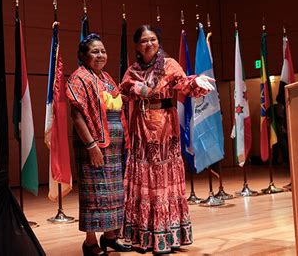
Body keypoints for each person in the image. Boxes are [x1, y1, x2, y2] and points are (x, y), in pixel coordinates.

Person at [120, 25, 215, 254]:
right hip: (141, 124)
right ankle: (141, 236)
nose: (149, 44)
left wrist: (195, 83)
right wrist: (138, 88)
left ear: (158, 41)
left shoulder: (169, 64)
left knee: (163, 175)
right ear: (137, 46)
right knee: (143, 175)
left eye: (152, 39)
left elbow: (184, 83)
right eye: (144, 40)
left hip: (164, 124)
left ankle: (166, 235)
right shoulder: (133, 69)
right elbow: (123, 88)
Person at [66, 33, 132, 256]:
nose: (100, 55)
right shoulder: (78, 78)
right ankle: (90, 242)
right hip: (93, 144)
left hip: (113, 145)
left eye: (103, 51)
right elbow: (76, 117)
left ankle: (111, 236)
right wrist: (92, 146)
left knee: (114, 192)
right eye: (95, 51)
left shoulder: (106, 77)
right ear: (83, 55)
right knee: (94, 193)